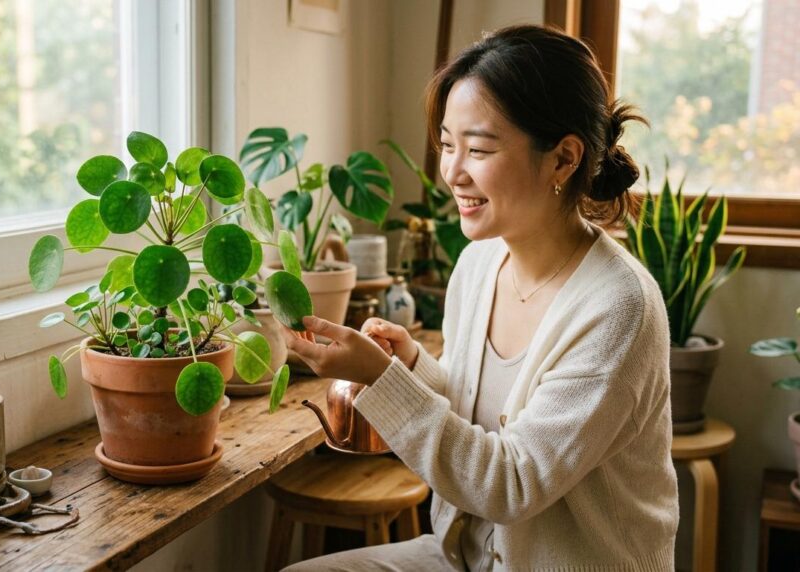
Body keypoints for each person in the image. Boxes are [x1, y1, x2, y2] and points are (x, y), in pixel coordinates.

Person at [283, 24, 679, 571]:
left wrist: (381, 380)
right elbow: (478, 409)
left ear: (563, 159)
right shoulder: (479, 263)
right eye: (446, 144)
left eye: (478, 148)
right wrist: (411, 366)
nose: (452, 171)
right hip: (463, 556)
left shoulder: (618, 309)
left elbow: (513, 483)